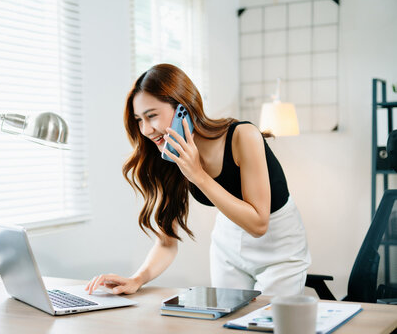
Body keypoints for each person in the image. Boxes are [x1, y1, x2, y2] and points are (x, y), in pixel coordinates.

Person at [85, 63, 311, 296]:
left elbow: (258, 224)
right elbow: (166, 243)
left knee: (269, 326)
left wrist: (198, 175)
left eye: (151, 116)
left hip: (280, 246)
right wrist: (136, 279)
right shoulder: (169, 155)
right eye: (138, 120)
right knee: (226, 324)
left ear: (183, 107)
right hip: (228, 246)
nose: (146, 130)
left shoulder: (243, 136)